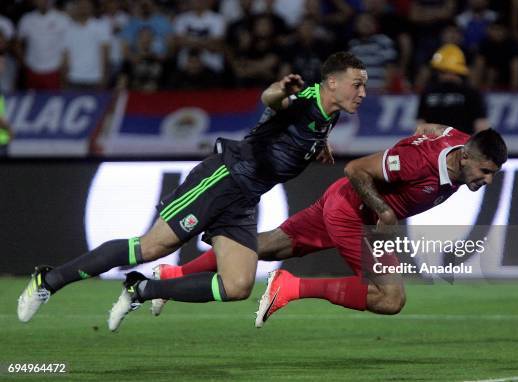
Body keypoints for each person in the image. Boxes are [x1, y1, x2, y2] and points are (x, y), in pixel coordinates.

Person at [16, 52, 368, 331]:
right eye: (357, 84)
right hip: (224, 178)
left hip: (245, 198)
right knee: (151, 247)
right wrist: (279, 90)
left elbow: (297, 130)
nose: (362, 93)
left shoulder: (328, 113)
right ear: (332, 82)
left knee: (238, 285)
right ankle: (49, 279)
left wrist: (319, 143)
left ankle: (144, 290)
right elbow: (273, 100)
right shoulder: (304, 99)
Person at [151, 126, 507, 324]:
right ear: (464, 156)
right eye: (485, 172)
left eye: (493, 174)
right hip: (356, 213)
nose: (487, 180)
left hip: (342, 203)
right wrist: (383, 211)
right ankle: (290, 286)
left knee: (263, 247)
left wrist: (422, 132)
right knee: (390, 298)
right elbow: (355, 170)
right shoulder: (418, 164)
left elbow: (431, 127)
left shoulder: (460, 145)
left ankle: (173, 276)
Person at [417, 43, 489, 135]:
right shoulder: (471, 92)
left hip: (443, 147)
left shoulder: (428, 92)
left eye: (442, 71)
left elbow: (420, 126)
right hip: (459, 147)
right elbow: (481, 127)